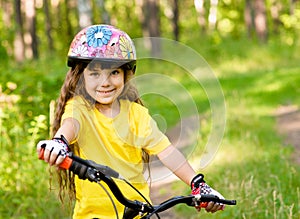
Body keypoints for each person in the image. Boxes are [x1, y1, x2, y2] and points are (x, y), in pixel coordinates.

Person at [37, 24, 225, 219]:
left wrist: (197, 184)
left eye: (114, 72)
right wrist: (59, 143)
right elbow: (70, 126)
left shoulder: (136, 115)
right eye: (94, 73)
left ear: (127, 75)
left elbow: (168, 152)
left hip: (136, 213)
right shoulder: (79, 109)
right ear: (81, 77)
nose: (105, 82)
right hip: (91, 215)